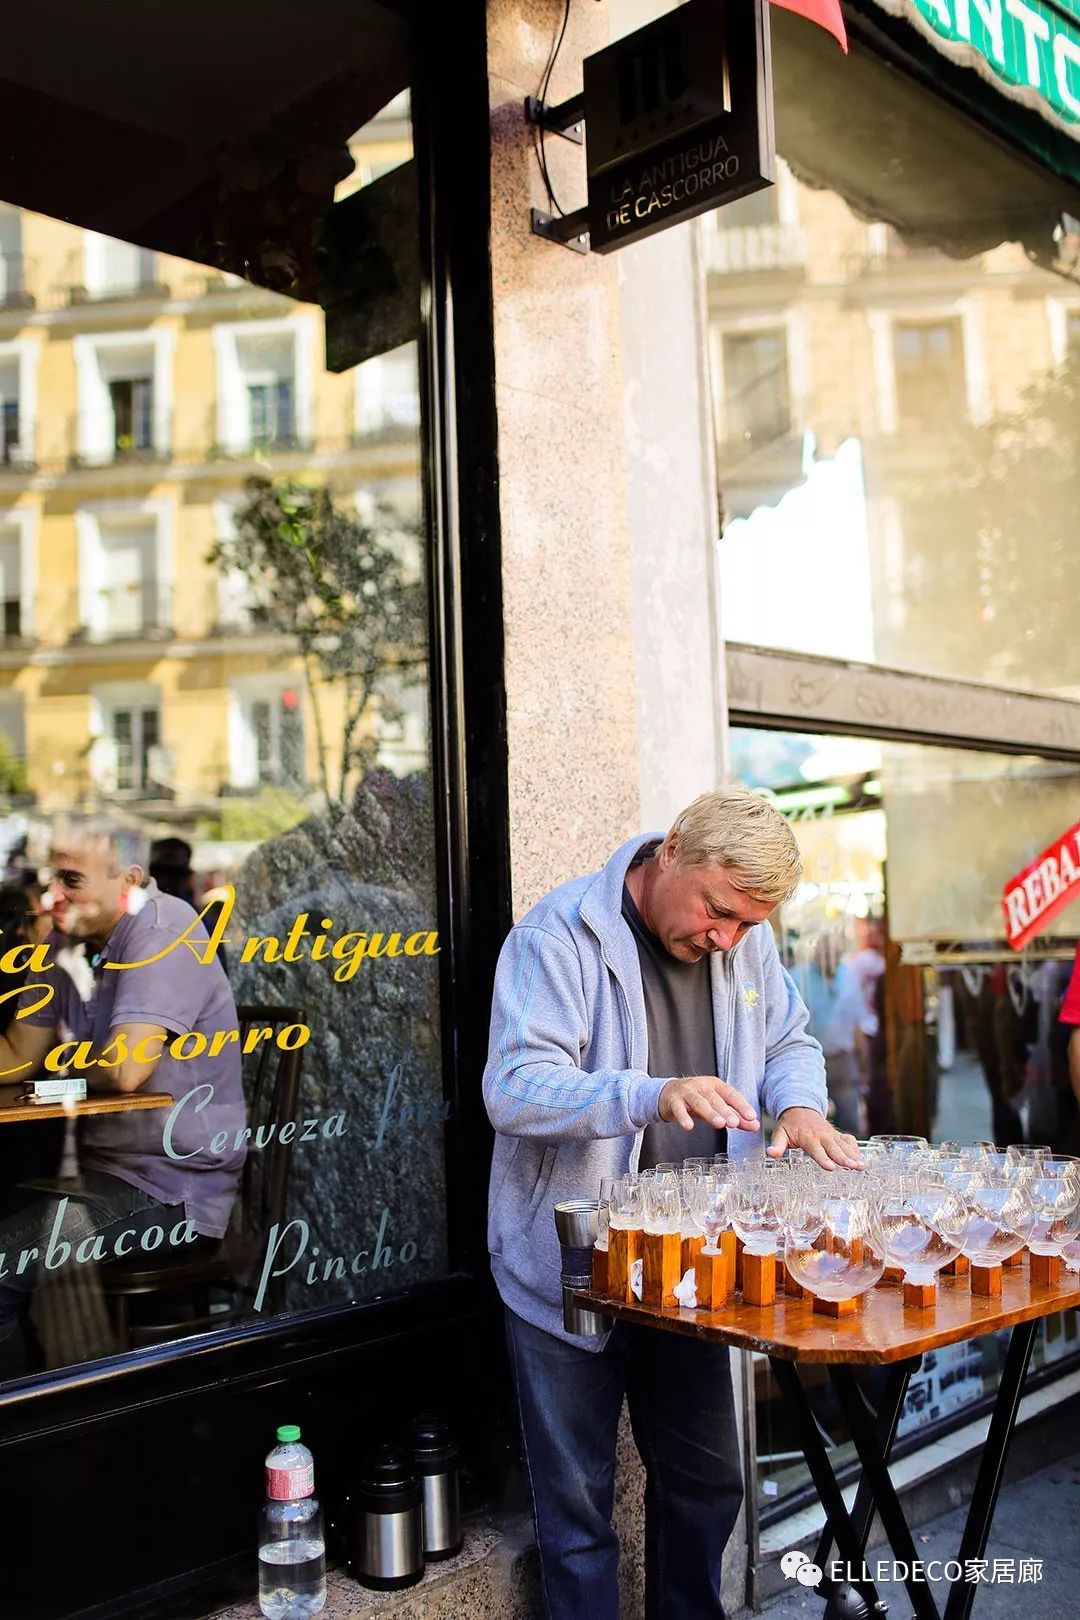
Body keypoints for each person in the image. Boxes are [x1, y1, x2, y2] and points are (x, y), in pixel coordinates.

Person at [482, 786, 859, 1620]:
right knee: (578, 1516)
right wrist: (649, 1095)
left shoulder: (743, 944)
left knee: (708, 1482)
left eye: (748, 926)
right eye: (719, 912)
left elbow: (791, 1038)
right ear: (674, 850)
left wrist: (799, 1103)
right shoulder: (558, 935)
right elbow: (511, 1089)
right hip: (572, 1269)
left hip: (693, 1267)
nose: (725, 939)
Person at [0, 817, 247, 1376]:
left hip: (173, 1192)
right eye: (48, 880)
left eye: (71, 879)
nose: (51, 894)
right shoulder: (69, 943)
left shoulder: (164, 928)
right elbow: (20, 1050)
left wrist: (51, 1071)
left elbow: (128, 1067)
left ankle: (26, 1437)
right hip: (106, 1176)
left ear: (128, 881)